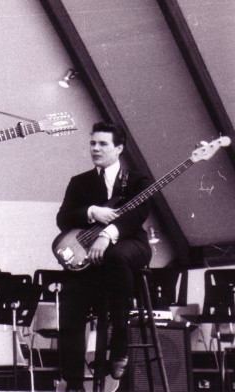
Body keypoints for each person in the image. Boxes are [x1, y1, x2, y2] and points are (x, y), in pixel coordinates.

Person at [56, 122, 152, 392]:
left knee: (118, 257)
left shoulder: (137, 181)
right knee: (70, 294)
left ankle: (119, 344)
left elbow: (138, 214)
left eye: (102, 144)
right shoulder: (80, 182)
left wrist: (107, 234)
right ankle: (74, 381)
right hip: (90, 256)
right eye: (92, 143)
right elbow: (63, 218)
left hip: (129, 243)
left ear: (119, 148)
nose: (95, 148)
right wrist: (91, 212)